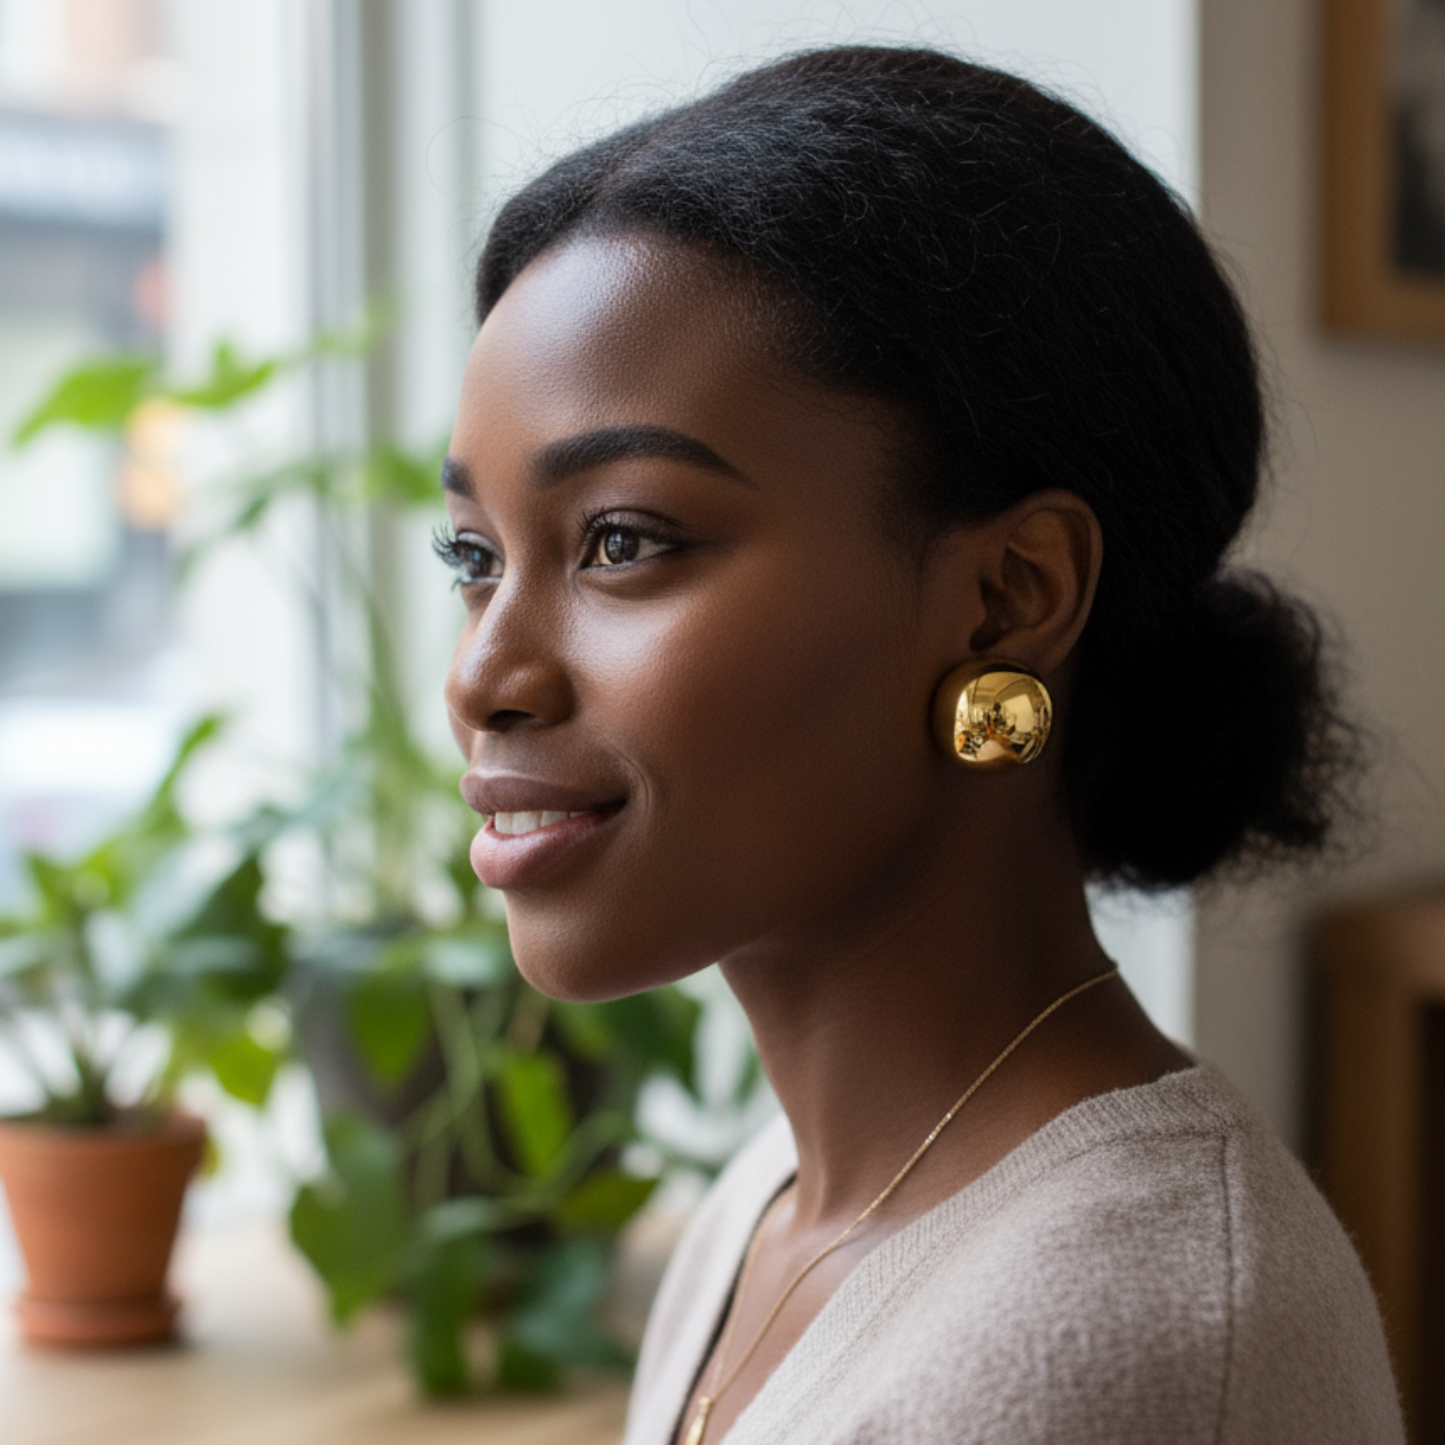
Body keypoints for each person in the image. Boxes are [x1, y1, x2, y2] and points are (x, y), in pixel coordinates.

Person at [437, 45, 1404, 1445]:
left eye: (624, 541)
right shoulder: (776, 1199)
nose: (485, 676)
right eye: (471, 554)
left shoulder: (1111, 1350)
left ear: (1010, 599)